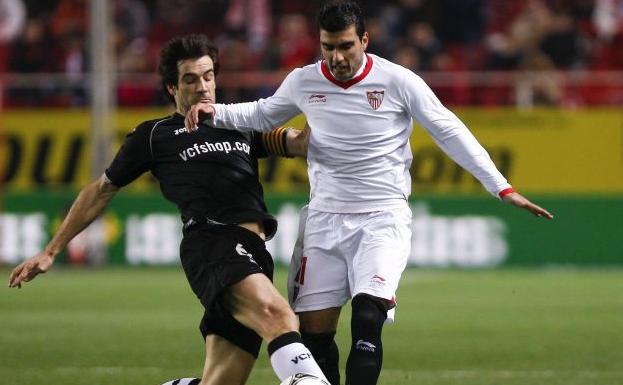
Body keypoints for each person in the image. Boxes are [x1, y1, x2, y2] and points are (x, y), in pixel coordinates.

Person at [184, 2, 554, 385]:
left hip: (382, 218)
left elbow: (448, 129)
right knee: (314, 335)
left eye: (345, 45)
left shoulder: (397, 81)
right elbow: (263, 114)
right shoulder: (304, 81)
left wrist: (501, 186)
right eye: (328, 47)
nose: (337, 56)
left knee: (367, 318)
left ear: (364, 39)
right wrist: (215, 113)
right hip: (323, 221)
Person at [7, 34, 328, 385]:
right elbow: (101, 189)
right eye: (190, 79)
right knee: (279, 316)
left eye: (208, 76)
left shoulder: (238, 123)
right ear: (172, 88)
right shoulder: (155, 135)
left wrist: (324, 97)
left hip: (252, 252)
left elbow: (301, 143)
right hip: (212, 244)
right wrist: (51, 250)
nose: (203, 86)